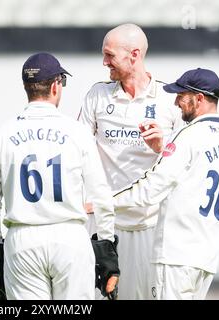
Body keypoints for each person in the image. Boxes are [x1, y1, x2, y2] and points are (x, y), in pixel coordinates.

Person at [0, 52, 117, 300]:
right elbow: (101, 195)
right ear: (56, 86)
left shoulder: (0, 134)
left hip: (22, 238)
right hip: (69, 236)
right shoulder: (77, 132)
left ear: (26, 87)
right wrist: (106, 245)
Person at [113, 68, 219, 299]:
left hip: (175, 257)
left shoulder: (189, 135)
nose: (176, 102)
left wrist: (104, 202)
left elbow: (151, 188)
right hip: (206, 256)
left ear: (200, 98)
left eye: (181, 96)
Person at [78, 23, 184, 299]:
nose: (104, 62)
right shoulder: (97, 95)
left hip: (151, 227)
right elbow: (77, 154)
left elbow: (184, 165)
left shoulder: (169, 98)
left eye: (110, 55)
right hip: (104, 226)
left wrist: (162, 146)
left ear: (134, 55)